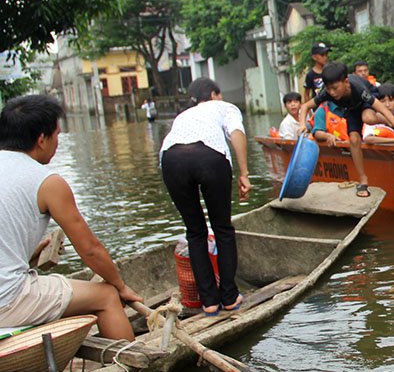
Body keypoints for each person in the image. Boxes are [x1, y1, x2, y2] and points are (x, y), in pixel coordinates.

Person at [0, 95, 142, 339]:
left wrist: (30, 256)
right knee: (107, 295)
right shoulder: (47, 182)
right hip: (7, 300)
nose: (58, 141)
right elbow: (90, 250)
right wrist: (120, 286)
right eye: (56, 134)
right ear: (41, 140)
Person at [160, 78, 250, 315]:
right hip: (209, 156)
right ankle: (229, 296)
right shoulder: (225, 107)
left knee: (195, 231)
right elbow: (237, 134)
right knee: (222, 229)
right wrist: (245, 173)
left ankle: (209, 301)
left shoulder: (184, 115)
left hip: (171, 159)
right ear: (214, 95)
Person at [310, 62, 394, 196]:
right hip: (352, 107)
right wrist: (303, 125)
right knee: (354, 139)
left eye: (335, 88)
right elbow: (305, 107)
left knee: (368, 117)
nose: (332, 93)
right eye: (329, 89)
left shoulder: (359, 89)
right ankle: (363, 180)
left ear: (346, 82)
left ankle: (387, 120)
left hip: (365, 101)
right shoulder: (327, 93)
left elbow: (383, 108)